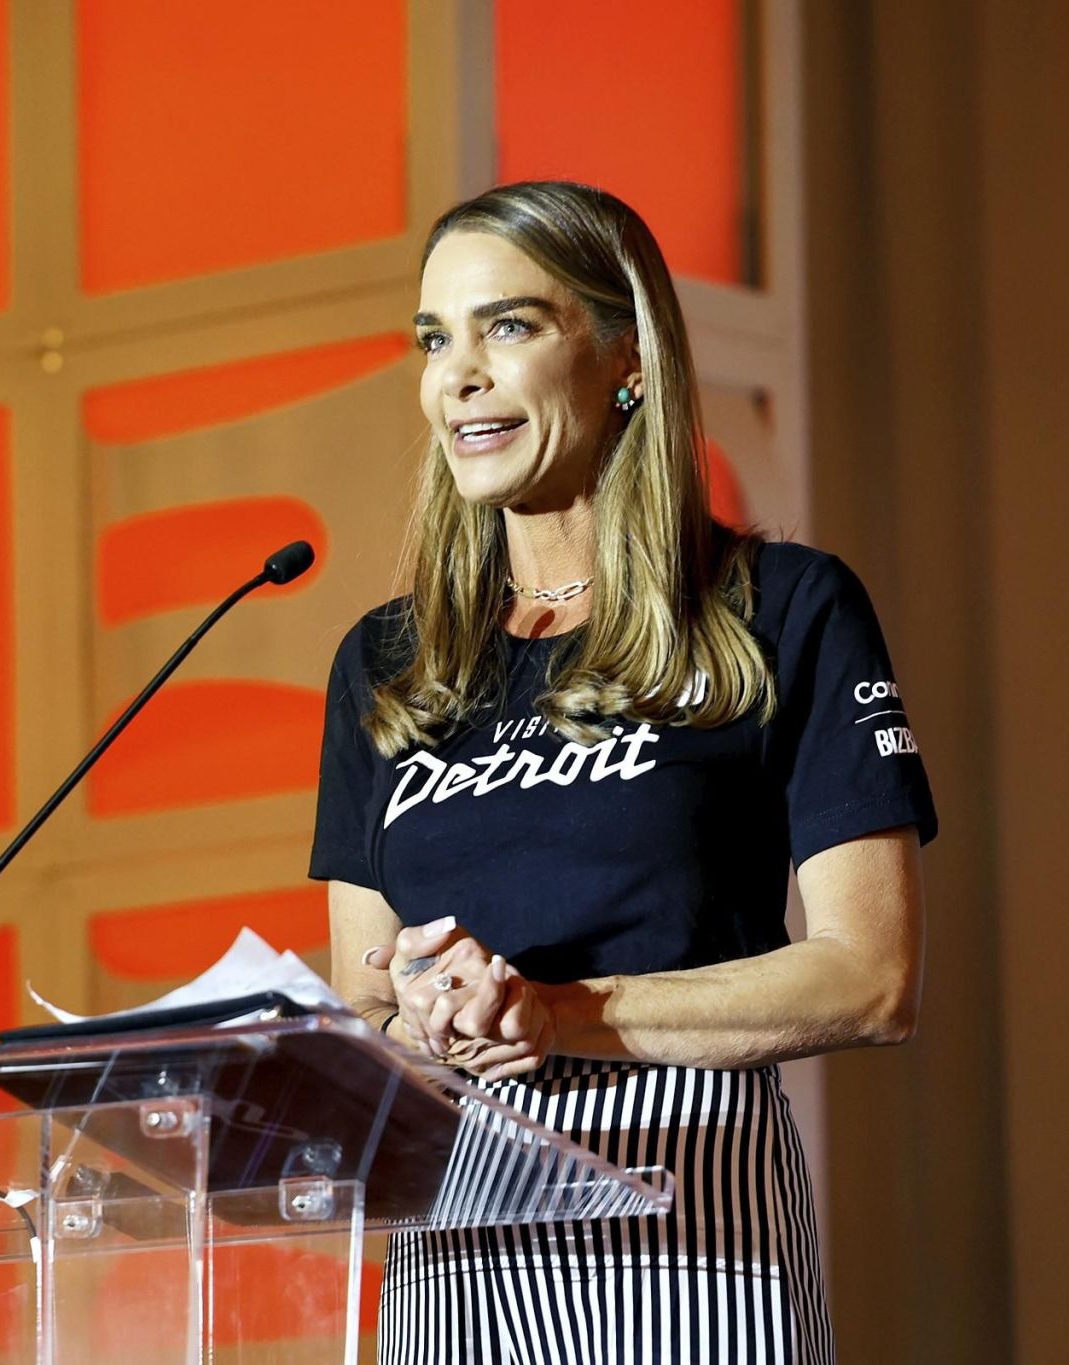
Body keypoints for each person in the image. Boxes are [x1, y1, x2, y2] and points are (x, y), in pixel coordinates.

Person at [311, 181, 936, 1364]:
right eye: (434, 340)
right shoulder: (385, 664)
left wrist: (556, 1013)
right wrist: (421, 1015)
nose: (457, 376)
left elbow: (870, 978)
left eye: (507, 326)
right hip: (452, 1242)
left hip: (691, 1232)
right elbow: (364, 1000)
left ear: (626, 359)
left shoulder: (781, 608)